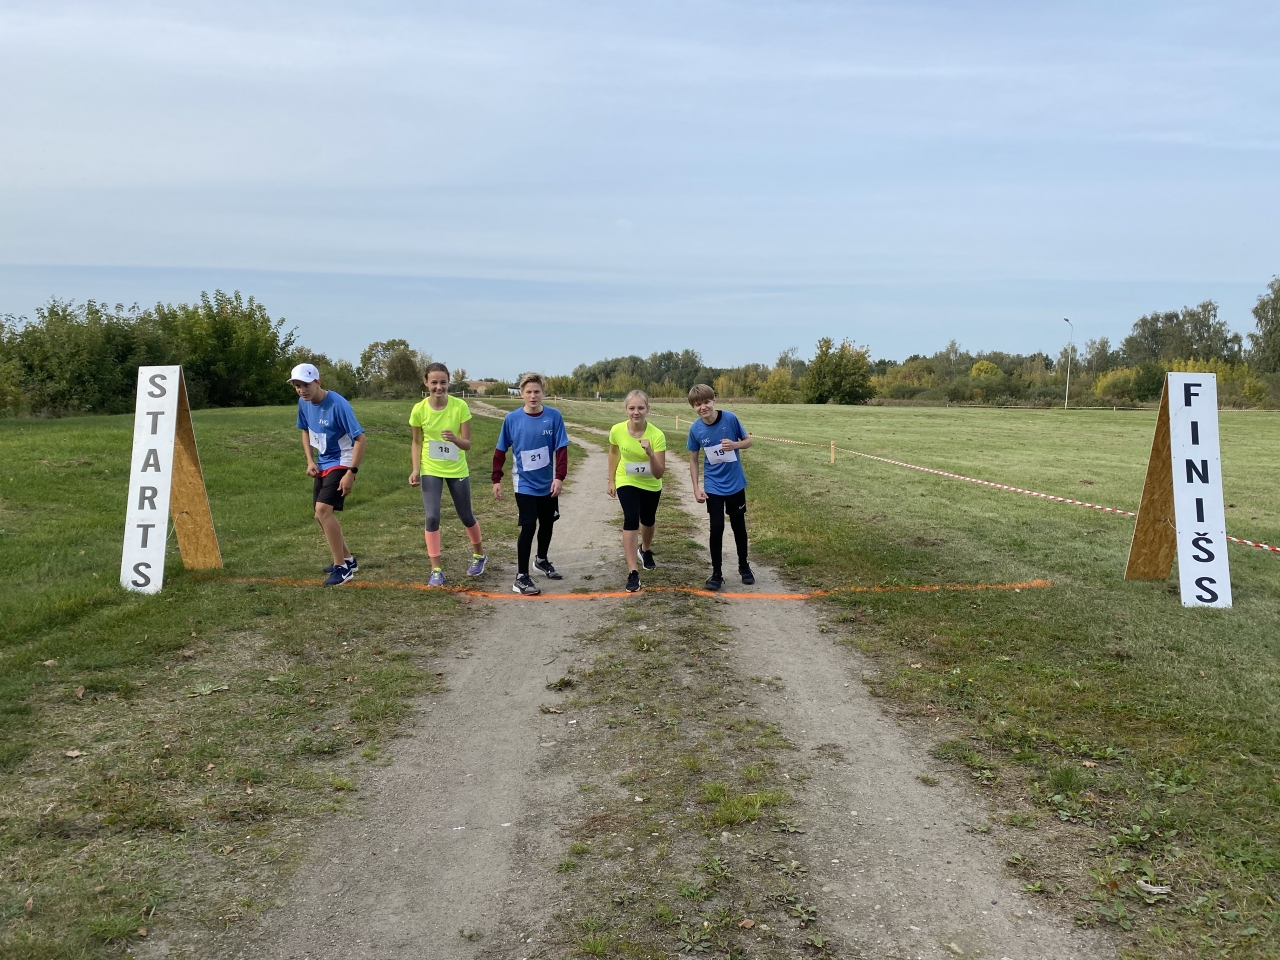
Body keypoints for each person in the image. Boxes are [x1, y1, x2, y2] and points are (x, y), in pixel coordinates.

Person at [492, 373, 570, 596]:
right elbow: (500, 451)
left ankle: (542, 560)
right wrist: (496, 479)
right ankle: (521, 577)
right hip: (523, 483)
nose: (533, 396)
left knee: (548, 522)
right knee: (528, 526)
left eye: (537, 391)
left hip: (548, 483)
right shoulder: (512, 419)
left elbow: (561, 449)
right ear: (522, 394)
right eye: (528, 392)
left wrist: (559, 477)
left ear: (543, 393)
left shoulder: (554, 417)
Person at [408, 362, 486, 586]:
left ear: (448, 382)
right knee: (432, 516)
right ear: (426, 383)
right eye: (434, 382)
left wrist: (455, 439)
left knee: (466, 515)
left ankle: (479, 555)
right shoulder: (419, 409)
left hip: (456, 469)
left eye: (443, 382)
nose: (439, 387)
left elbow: (468, 444)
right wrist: (416, 469)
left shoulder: (460, 406)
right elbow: (416, 442)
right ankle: (436, 570)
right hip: (431, 468)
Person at [290, 362, 366, 587]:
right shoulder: (303, 403)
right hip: (323, 462)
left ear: (318, 382)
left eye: (305, 384)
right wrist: (310, 460)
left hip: (343, 460)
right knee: (318, 515)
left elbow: (361, 439)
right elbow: (305, 430)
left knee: (323, 511)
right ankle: (348, 560)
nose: (301, 390)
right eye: (297, 386)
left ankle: (341, 569)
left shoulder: (339, 405)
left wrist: (351, 472)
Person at [686, 383, 755, 590]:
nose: (703, 407)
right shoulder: (695, 429)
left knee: (738, 526)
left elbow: (748, 441)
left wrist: (735, 445)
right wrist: (696, 487)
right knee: (716, 529)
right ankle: (716, 573)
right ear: (693, 407)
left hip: (735, 484)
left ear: (714, 400)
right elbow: (693, 459)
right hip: (713, 487)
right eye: (698, 405)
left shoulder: (730, 419)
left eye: (706, 402)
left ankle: (744, 566)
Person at [607, 390, 666, 593]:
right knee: (631, 518)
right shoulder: (616, 430)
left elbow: (659, 473)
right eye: (632, 408)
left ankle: (645, 550)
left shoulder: (657, 435)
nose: (636, 412)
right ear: (626, 410)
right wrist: (611, 480)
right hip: (627, 479)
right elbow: (613, 453)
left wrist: (650, 453)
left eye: (640, 408)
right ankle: (633, 572)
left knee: (648, 519)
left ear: (648, 409)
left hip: (650, 482)